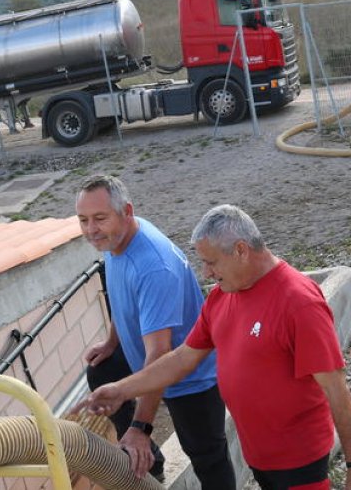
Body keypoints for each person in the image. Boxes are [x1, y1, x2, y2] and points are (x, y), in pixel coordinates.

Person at [76, 204, 351, 490]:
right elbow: (181, 359)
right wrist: (121, 390)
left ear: (240, 251)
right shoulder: (223, 297)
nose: (206, 273)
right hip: (258, 456)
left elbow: (336, 389)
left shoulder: (298, 302)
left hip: (298, 461)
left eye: (211, 262)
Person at [75, 175, 235, 489]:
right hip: (150, 355)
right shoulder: (114, 239)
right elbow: (123, 299)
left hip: (190, 375)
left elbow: (159, 355)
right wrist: (111, 342)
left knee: (208, 457)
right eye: (83, 220)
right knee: (102, 370)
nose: (90, 230)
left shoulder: (153, 266)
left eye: (99, 219)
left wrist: (141, 427)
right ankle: (151, 464)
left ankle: (141, 446)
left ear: (127, 211)